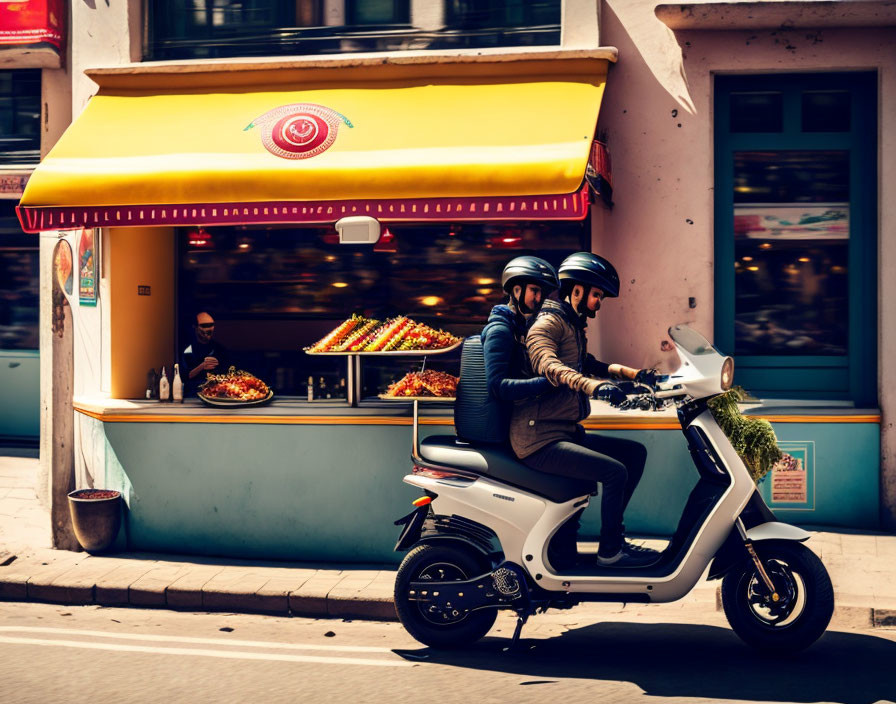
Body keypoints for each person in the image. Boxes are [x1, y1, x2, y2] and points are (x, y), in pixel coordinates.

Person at [510, 252, 661, 567]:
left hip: (563, 431)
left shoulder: (571, 325)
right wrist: (595, 387)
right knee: (615, 471)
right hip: (539, 439)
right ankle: (611, 551)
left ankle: (613, 540)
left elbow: (587, 364)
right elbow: (548, 364)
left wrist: (634, 375)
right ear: (575, 290)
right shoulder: (548, 323)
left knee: (634, 454)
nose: (598, 302)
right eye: (596, 294)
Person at [482, 256, 560, 421]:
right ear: (517, 291)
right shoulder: (500, 331)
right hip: (506, 426)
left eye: (542, 293)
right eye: (535, 291)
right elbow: (497, 386)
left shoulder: (521, 330)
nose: (539, 299)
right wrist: (548, 383)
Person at [181, 311, 231, 395]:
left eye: (210, 325)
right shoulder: (188, 349)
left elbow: (228, 374)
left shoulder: (220, 349)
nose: (207, 329)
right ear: (195, 327)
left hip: (216, 393)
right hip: (193, 393)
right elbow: (185, 376)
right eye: (204, 326)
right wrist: (202, 366)